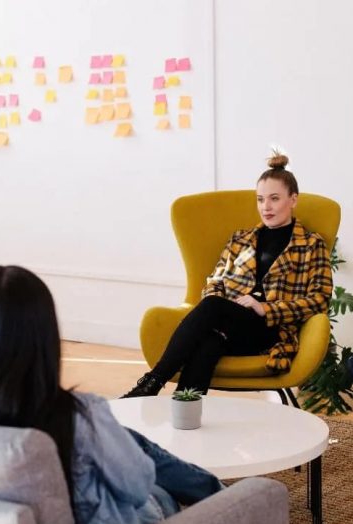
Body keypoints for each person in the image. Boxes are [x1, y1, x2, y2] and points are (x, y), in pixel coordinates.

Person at [0, 265, 222, 524]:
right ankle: (221, 501)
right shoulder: (77, 414)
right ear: (44, 336)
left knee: (124, 439)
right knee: (157, 489)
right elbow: (136, 486)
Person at [122, 153, 333, 398]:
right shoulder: (241, 239)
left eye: (274, 199)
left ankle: (152, 381)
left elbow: (320, 299)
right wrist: (227, 307)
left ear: (293, 199)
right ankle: (185, 412)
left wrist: (266, 308)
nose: (266, 207)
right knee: (209, 343)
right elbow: (215, 281)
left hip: (270, 330)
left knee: (212, 306)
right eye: (261, 199)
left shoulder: (310, 245)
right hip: (229, 322)